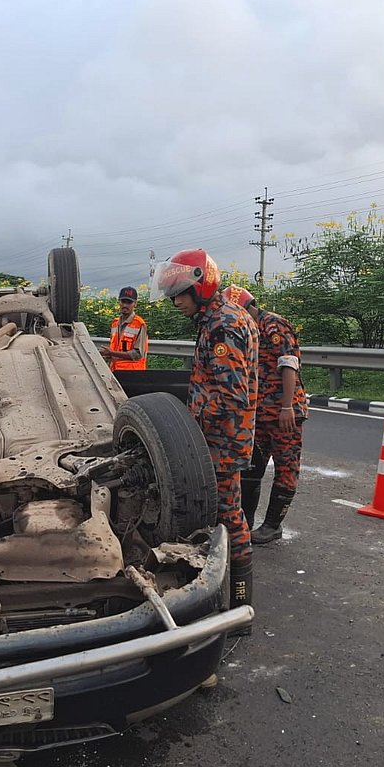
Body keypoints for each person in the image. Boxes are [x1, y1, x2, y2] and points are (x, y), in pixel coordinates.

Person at [155, 249, 258, 617]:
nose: (175, 302)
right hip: (219, 439)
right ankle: (231, 603)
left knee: (228, 517)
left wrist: (186, 420)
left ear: (201, 287)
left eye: (180, 294)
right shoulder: (217, 319)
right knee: (224, 516)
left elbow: (232, 395)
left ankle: (239, 606)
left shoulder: (223, 326)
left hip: (222, 443)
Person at [224, 286, 308, 544]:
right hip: (259, 413)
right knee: (252, 467)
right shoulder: (246, 330)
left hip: (284, 413)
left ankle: (272, 525)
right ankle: (245, 523)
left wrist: (286, 407)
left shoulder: (273, 324)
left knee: (286, 468)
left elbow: (289, 364)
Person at [100, 287, 148, 371]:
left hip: (132, 374)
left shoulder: (139, 324)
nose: (125, 305)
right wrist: (108, 355)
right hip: (114, 371)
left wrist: (112, 353)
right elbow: (116, 349)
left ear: (135, 304)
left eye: (129, 302)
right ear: (119, 302)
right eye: (123, 301)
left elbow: (138, 354)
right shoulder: (115, 323)